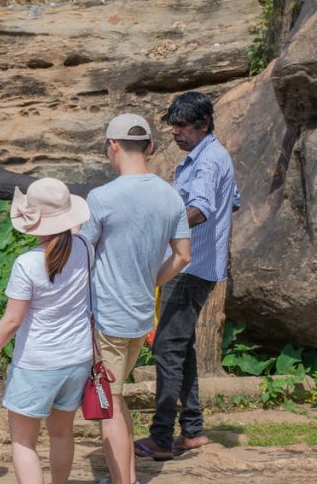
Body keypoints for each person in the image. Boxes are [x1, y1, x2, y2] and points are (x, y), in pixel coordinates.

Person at [80, 114, 192, 484]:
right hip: (141, 318)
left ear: (112, 146)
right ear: (150, 147)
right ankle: (124, 476)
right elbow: (183, 256)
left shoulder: (101, 197)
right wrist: (150, 280)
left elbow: (82, 255)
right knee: (118, 396)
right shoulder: (170, 195)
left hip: (108, 320)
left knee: (107, 405)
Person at [0, 177, 93, 484]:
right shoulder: (85, 247)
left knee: (24, 442)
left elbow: (11, 322)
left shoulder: (27, 264)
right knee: (62, 434)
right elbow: (72, 232)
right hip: (77, 360)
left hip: (37, 365)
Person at [135, 92, 240, 460]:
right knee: (182, 347)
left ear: (204, 125)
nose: (175, 133)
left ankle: (162, 437)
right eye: (173, 125)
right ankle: (192, 430)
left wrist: (163, 230)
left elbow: (200, 210)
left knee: (166, 347)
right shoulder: (207, 157)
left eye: (182, 126)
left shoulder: (209, 161)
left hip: (191, 266)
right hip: (197, 263)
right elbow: (234, 199)